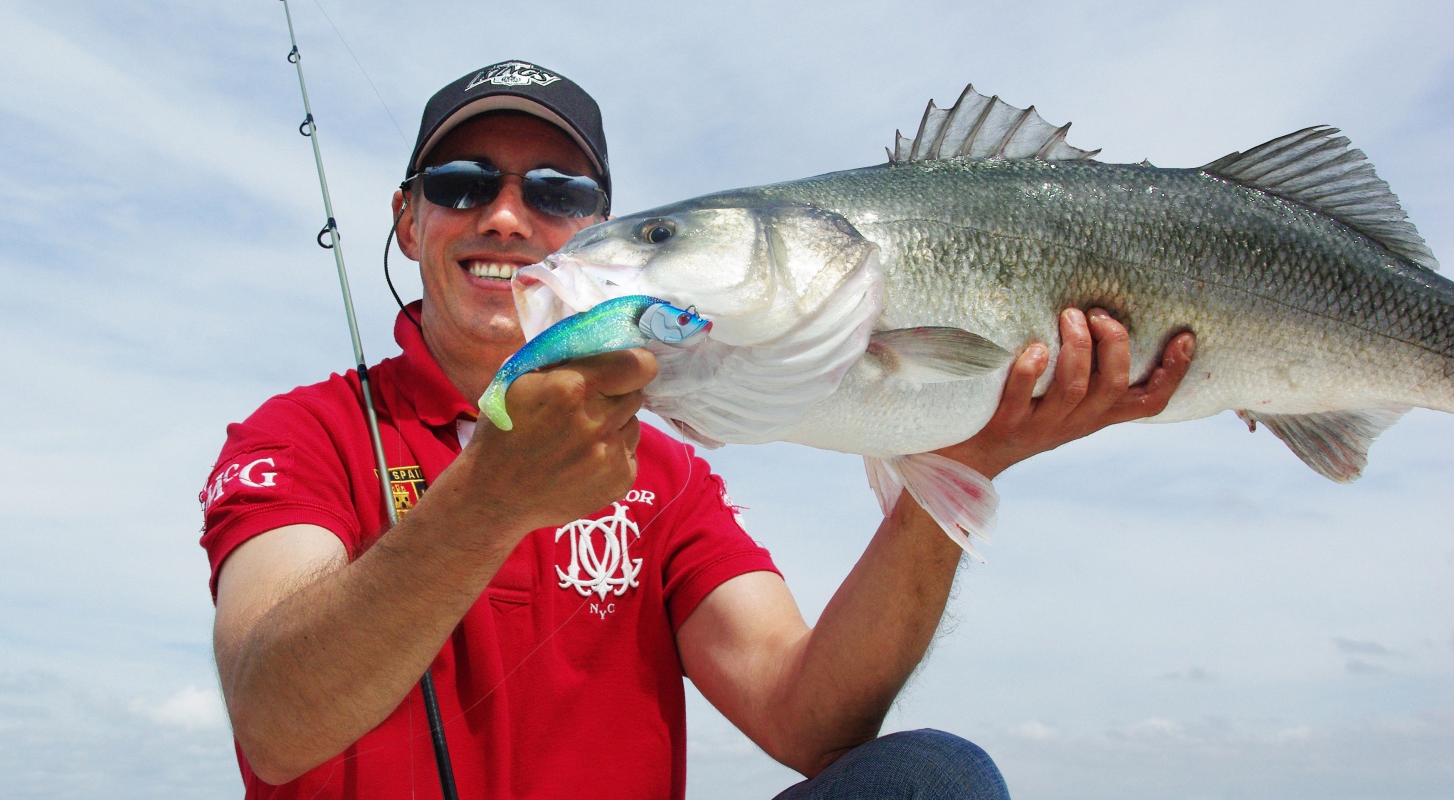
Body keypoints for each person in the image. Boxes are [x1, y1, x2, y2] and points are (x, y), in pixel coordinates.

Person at [199, 60, 1196, 799]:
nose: (505, 217)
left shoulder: (661, 470)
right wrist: (488, 498)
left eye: (555, 194)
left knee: (934, 777)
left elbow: (807, 715)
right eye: (462, 183)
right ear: (408, 219)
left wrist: (960, 463)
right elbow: (277, 721)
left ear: (596, 234)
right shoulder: (302, 433)